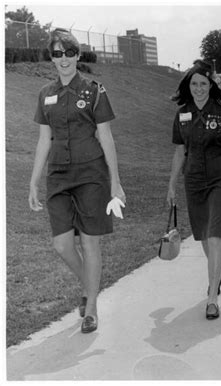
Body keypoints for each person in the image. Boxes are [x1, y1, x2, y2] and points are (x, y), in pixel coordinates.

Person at [29, 28, 125, 333]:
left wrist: (116, 183)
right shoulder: (45, 93)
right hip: (58, 174)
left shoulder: (95, 91)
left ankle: (91, 310)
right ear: (51, 57)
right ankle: (90, 286)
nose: (64, 59)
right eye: (57, 54)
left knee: (89, 241)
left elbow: (106, 137)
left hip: (91, 175)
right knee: (61, 244)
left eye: (69, 53)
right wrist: (33, 181)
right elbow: (44, 140)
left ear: (77, 55)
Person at [167, 59, 221, 320]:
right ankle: (218, 272)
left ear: (211, 85)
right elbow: (179, 152)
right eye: (194, 83)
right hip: (194, 181)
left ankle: (212, 297)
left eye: (203, 83)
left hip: (219, 181)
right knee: (202, 235)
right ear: (188, 86)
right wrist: (171, 184)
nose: (199, 88)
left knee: (214, 236)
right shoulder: (182, 114)